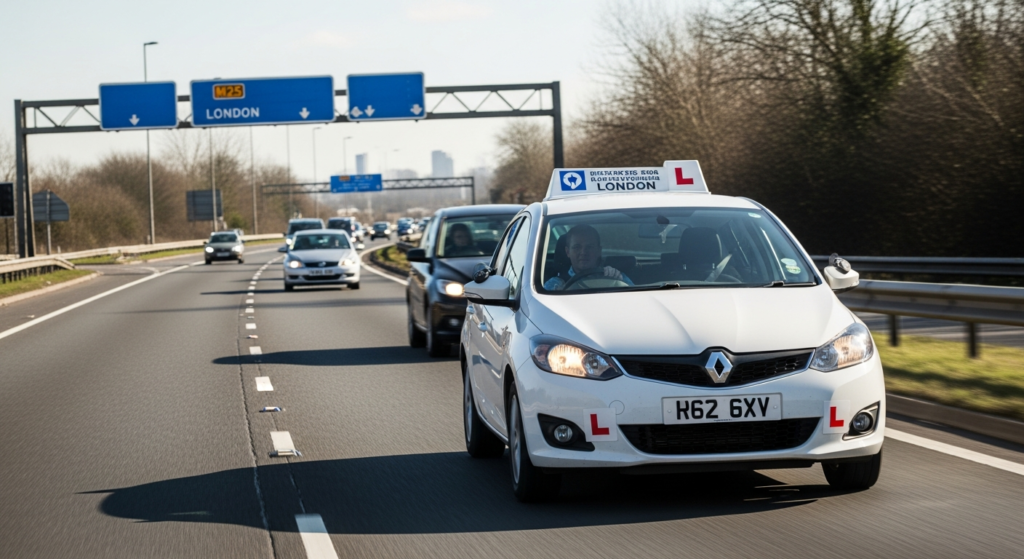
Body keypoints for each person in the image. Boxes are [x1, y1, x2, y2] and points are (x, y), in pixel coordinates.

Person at [544, 224, 633, 290]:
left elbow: (636, 300)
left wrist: (617, 281)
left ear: (599, 251)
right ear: (568, 252)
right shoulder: (555, 285)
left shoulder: (614, 276)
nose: (583, 252)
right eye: (577, 247)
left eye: (589, 247)